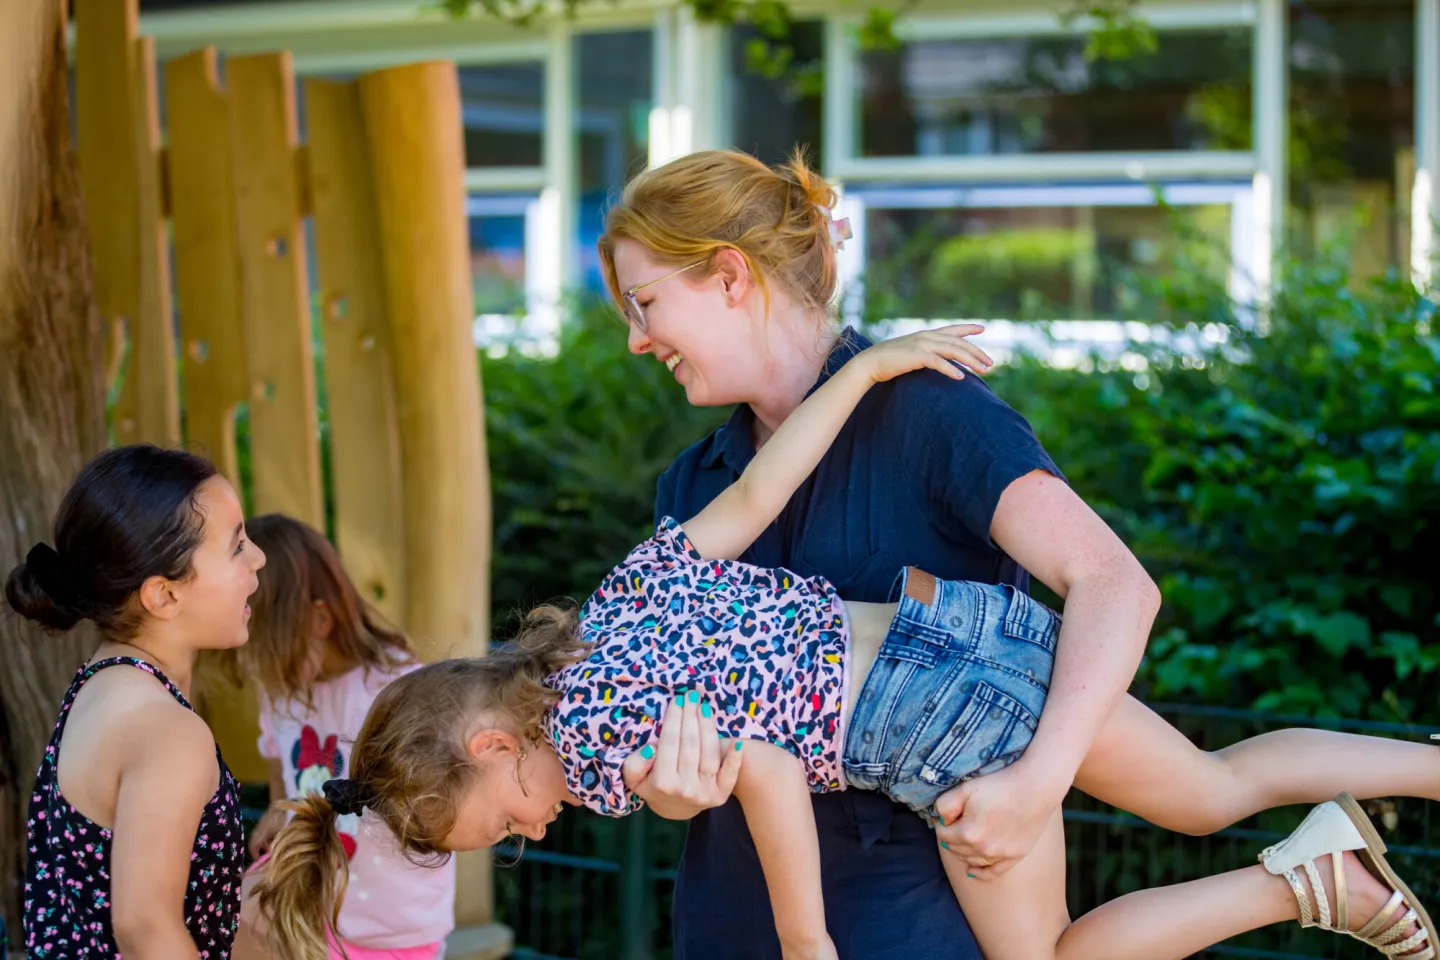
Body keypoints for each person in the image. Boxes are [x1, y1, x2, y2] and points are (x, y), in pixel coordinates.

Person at [255, 330, 1435, 960]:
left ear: (491, 743)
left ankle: (1305, 886)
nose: (531, 829)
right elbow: (765, 489)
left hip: (935, 728)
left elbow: (768, 770)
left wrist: (805, 939)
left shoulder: (599, 745)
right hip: (967, 632)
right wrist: (863, 368)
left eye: (500, 822)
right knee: (1218, 783)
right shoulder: (615, 601)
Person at [596, 147, 1438, 958]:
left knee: (1206, 792)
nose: (636, 339)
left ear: (730, 275)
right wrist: (671, 790)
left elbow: (1114, 583)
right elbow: (696, 719)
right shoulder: (694, 483)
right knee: (1209, 789)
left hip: (920, 912)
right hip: (739, 920)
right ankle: (1315, 876)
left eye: (644, 303)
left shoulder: (931, 412)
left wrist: (1037, 785)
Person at [4, 444, 263, 959]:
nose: (258, 556)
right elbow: (145, 928)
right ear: (163, 595)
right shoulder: (167, 730)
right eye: (236, 547)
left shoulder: (101, 684)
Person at [219, 514, 455, 960]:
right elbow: (277, 759)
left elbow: (436, 793)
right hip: (309, 903)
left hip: (390, 922)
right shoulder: (283, 688)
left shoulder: (393, 686)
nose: (253, 666)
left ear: (319, 621)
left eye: (262, 646)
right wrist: (277, 808)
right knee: (232, 918)